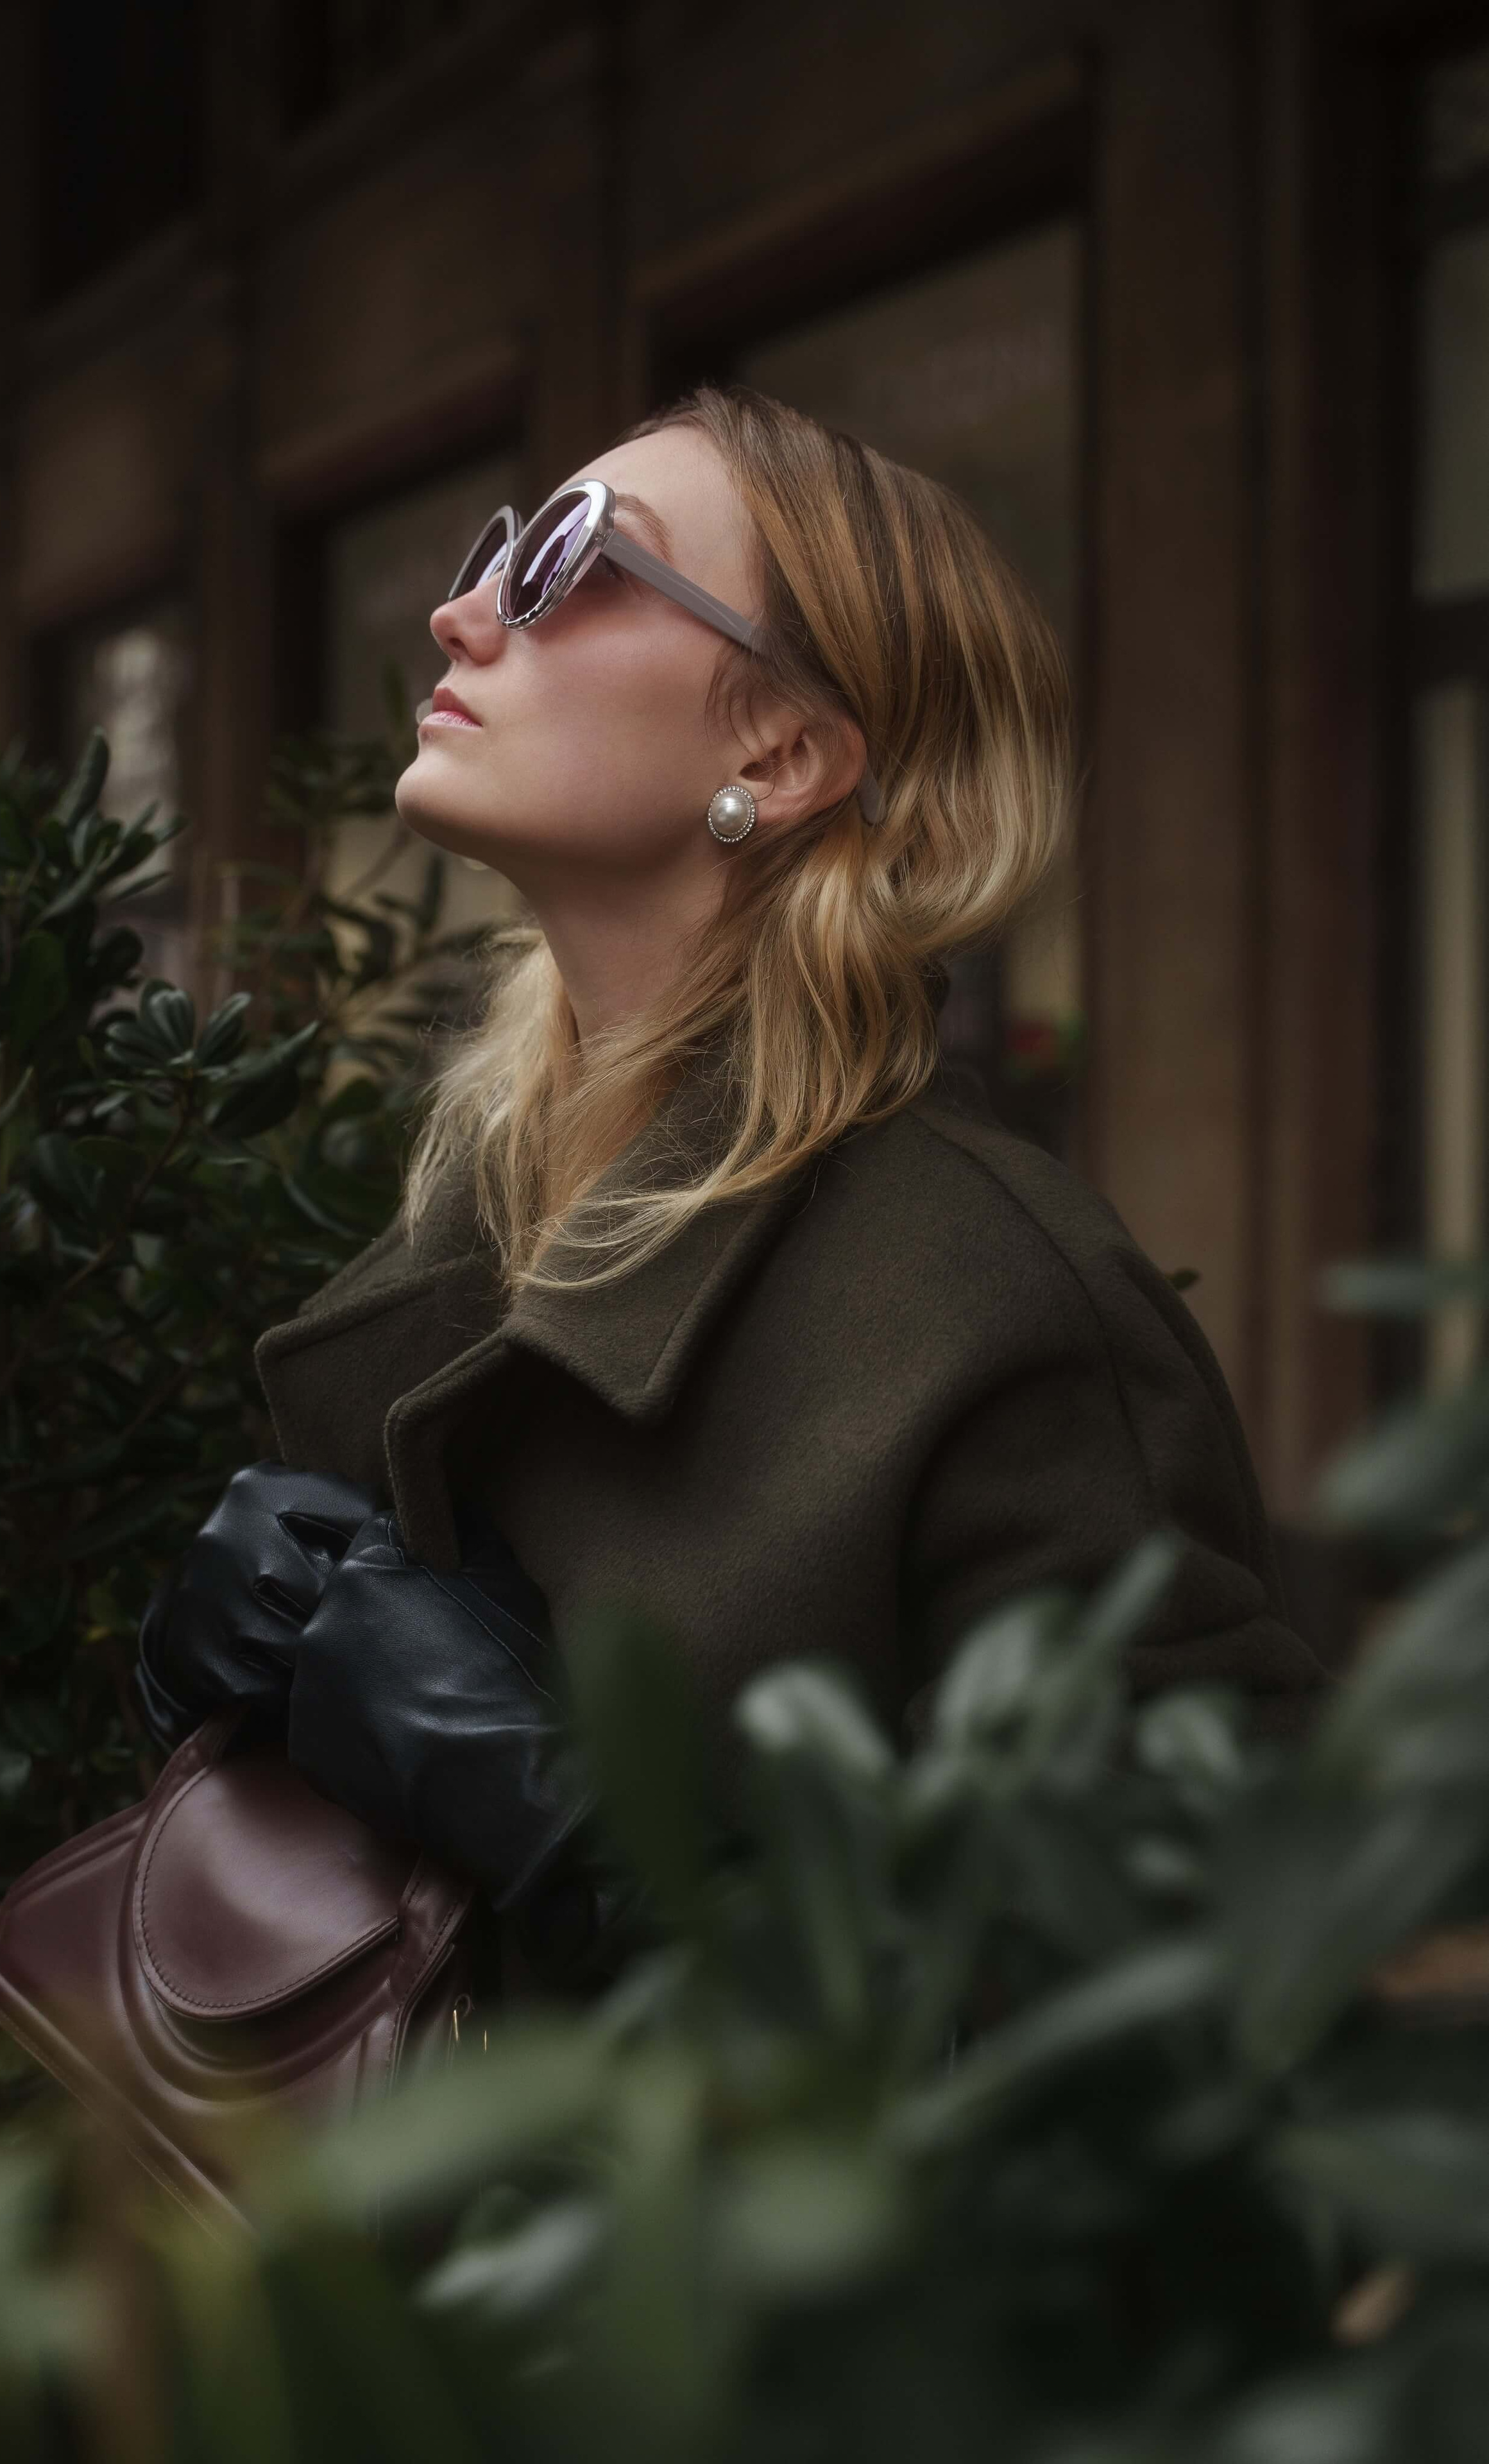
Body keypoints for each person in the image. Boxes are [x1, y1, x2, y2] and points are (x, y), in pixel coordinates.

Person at [135, 386, 1322, 1985]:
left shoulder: (1000, 1305)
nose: (464, 611)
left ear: (781, 748)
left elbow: (1159, 2061)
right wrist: (236, 1693)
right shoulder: (496, 1205)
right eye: (502, 547)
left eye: (572, 562)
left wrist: (596, 1837)